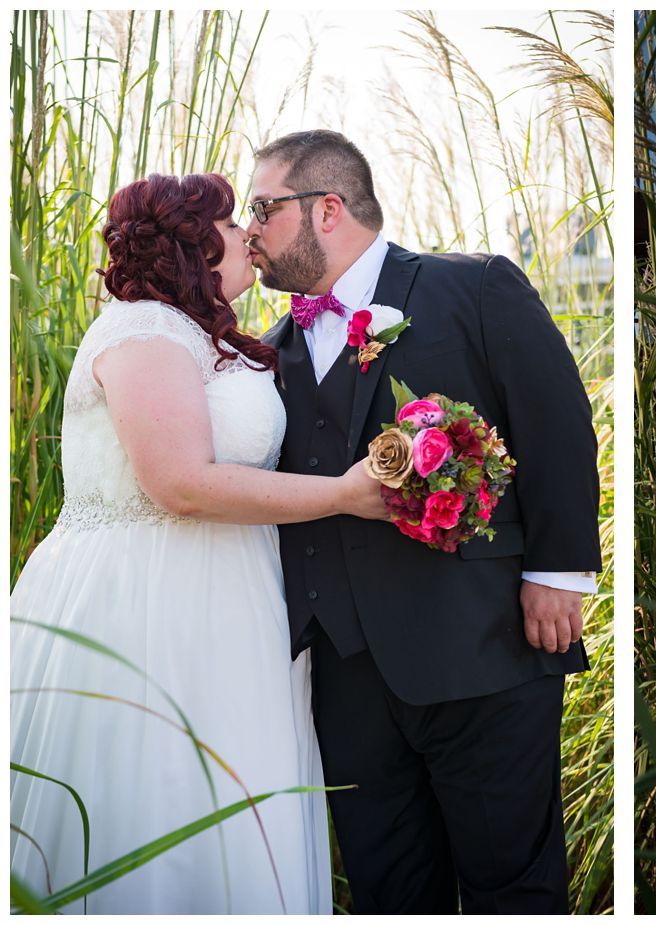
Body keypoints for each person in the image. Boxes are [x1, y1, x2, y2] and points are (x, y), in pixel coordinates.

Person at [10, 172, 389, 913]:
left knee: (232, 808)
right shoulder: (143, 329)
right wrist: (345, 495)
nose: (249, 230)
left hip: (233, 608)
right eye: (230, 219)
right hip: (149, 607)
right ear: (190, 239)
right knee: (156, 797)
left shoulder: (211, 338)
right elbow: (180, 482)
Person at [247, 129, 600, 913]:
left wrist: (558, 572)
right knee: (390, 892)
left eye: (263, 209)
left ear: (326, 209)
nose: (249, 231)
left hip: (485, 653)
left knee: (512, 887)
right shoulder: (271, 349)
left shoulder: (472, 287)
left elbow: (557, 422)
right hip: (343, 679)